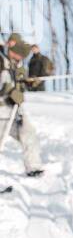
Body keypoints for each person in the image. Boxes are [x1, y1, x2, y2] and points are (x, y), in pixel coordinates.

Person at [0, 33, 45, 176]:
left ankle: (33, 168)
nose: (21, 59)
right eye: (20, 55)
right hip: (1, 110)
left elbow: (20, 82)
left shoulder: (16, 64)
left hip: (14, 110)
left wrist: (28, 82)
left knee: (29, 133)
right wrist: (9, 90)